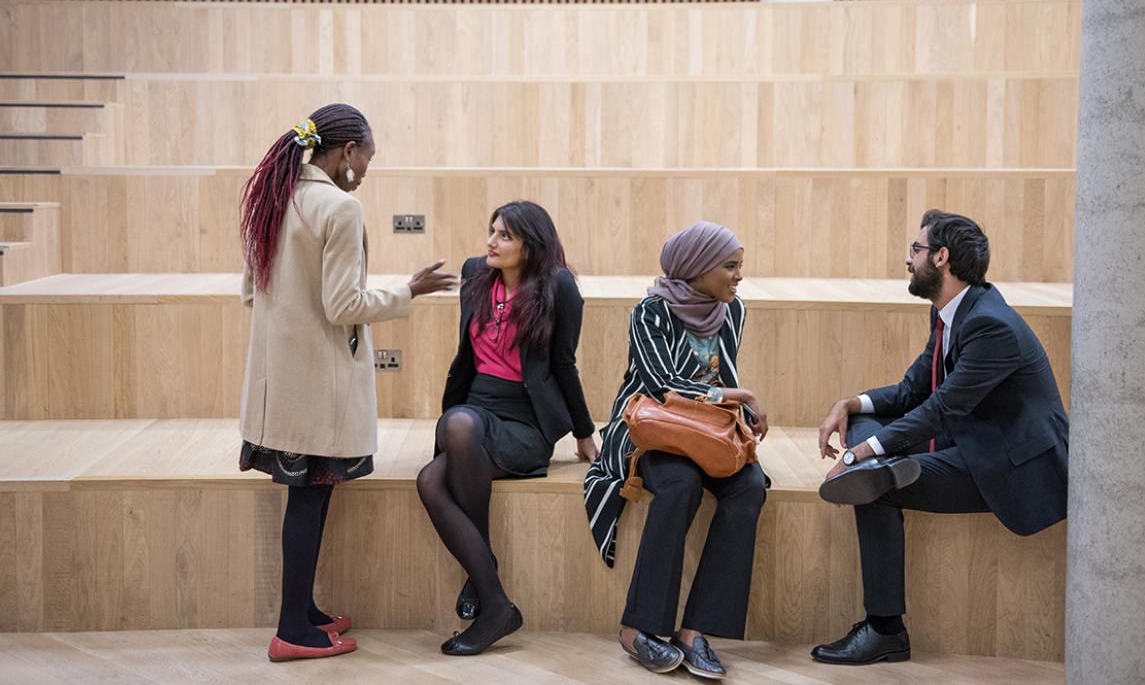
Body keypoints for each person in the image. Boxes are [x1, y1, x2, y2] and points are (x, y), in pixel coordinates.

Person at [238, 103, 456, 662]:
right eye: (367, 159)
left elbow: (250, 291)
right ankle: (291, 629)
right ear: (348, 152)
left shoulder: (274, 197)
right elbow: (343, 306)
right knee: (308, 502)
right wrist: (410, 290)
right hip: (318, 385)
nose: (366, 171)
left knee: (306, 498)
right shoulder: (339, 208)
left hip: (277, 380)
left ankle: (302, 610)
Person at [812, 209, 1069, 665]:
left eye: (915, 249)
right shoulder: (956, 311)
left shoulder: (991, 325)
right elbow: (913, 390)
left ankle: (885, 630)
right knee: (871, 433)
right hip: (970, 438)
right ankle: (884, 464)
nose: (908, 259)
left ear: (942, 257)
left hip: (1009, 463)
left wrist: (859, 457)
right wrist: (850, 404)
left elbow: (941, 408)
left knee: (873, 485)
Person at [584, 222, 769, 679]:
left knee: (749, 487)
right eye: (730, 266)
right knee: (680, 484)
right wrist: (734, 397)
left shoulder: (734, 311)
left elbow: (721, 371)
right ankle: (637, 628)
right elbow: (659, 385)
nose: (738, 276)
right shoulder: (652, 310)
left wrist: (733, 415)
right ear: (697, 268)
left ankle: (696, 630)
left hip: (708, 432)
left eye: (739, 266)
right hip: (654, 428)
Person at [417, 200, 599, 656]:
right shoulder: (475, 273)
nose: (490, 242)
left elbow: (563, 363)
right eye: (491, 231)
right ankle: (492, 590)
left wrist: (583, 431)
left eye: (504, 236)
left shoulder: (559, 287)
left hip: (524, 421)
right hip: (474, 408)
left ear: (530, 246)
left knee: (434, 472)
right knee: (453, 433)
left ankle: (486, 587)